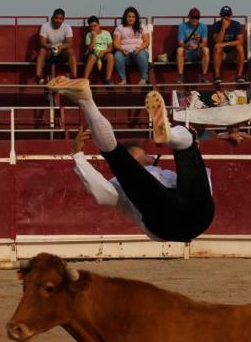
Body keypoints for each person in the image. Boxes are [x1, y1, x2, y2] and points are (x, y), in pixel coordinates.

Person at [49, 76, 215, 243]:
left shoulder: (164, 173)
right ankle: (85, 99)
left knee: (188, 146)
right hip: (166, 222)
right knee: (123, 165)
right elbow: (103, 194)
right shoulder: (123, 181)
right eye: (138, 154)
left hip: (198, 210)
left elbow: (200, 183)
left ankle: (169, 134)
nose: (146, 157)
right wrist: (78, 156)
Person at [35, 8, 77, 82]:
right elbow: (42, 43)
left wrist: (61, 47)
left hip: (62, 54)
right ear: (52, 18)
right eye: (56, 18)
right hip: (49, 53)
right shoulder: (45, 26)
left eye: (60, 18)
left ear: (63, 19)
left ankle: (74, 76)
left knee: (70, 50)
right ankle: (38, 76)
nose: (58, 20)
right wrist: (52, 47)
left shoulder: (67, 27)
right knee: (42, 50)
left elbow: (70, 43)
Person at [112, 7, 151, 85]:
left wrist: (140, 49)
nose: (131, 19)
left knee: (142, 55)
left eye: (133, 17)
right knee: (117, 56)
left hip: (138, 51)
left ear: (136, 18)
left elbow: (147, 41)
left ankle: (143, 79)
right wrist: (122, 49)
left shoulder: (142, 26)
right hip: (125, 53)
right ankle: (123, 80)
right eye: (129, 16)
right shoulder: (120, 28)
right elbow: (115, 43)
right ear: (125, 17)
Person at [211, 6, 246, 83]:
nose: (226, 17)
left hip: (232, 53)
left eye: (228, 15)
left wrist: (225, 44)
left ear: (231, 15)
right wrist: (223, 28)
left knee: (240, 47)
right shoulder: (216, 25)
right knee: (217, 48)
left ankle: (239, 75)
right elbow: (217, 41)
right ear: (220, 16)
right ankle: (217, 76)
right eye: (224, 15)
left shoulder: (236, 24)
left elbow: (240, 41)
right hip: (221, 54)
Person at [175, 8, 209, 80]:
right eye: (193, 17)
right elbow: (180, 43)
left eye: (197, 18)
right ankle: (180, 76)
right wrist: (188, 45)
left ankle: (204, 75)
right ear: (189, 17)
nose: (195, 19)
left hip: (198, 52)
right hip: (187, 52)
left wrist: (198, 45)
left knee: (206, 50)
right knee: (179, 50)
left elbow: (205, 43)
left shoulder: (203, 26)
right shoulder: (182, 26)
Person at [82, 16, 113, 82]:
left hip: (104, 53)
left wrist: (104, 51)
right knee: (92, 57)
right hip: (92, 53)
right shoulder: (89, 35)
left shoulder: (106, 33)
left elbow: (110, 48)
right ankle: (85, 79)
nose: (93, 28)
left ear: (99, 25)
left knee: (110, 56)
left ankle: (108, 79)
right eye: (91, 27)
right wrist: (94, 37)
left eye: (95, 26)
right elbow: (90, 48)